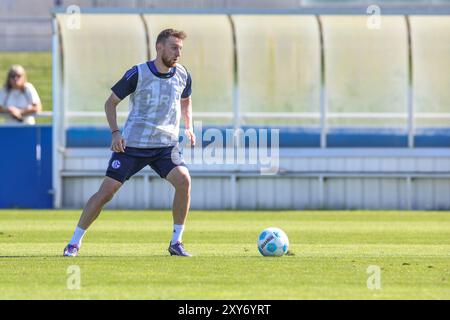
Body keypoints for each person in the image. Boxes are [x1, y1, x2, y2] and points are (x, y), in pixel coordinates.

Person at [63, 29, 196, 257]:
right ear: (159, 47)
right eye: (174, 47)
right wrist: (115, 133)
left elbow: (186, 100)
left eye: (180, 49)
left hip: (165, 146)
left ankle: (176, 242)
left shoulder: (183, 74)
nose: (178, 53)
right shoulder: (138, 73)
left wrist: (189, 126)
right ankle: (74, 242)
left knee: (184, 181)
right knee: (106, 192)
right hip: (133, 146)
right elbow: (110, 103)